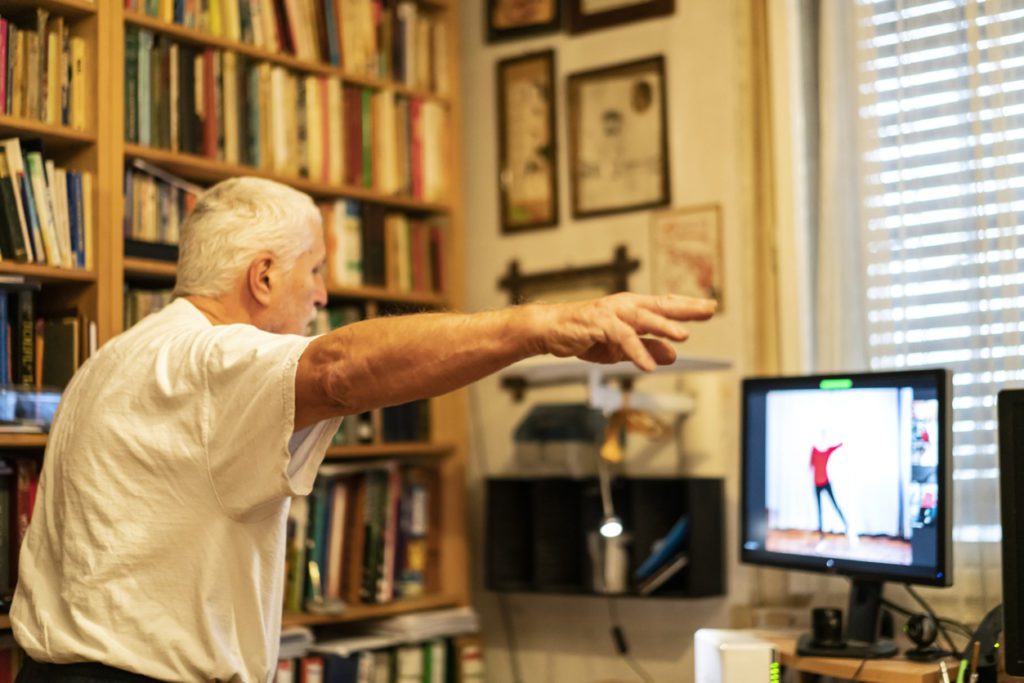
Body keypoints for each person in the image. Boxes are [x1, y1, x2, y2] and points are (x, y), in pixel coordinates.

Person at [9, 177, 716, 682]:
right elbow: (340, 370)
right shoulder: (212, 359)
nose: (321, 295)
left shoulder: (110, 362)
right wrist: (540, 326)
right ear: (262, 276)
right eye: (313, 272)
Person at [809, 433, 849, 541]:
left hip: (826, 483)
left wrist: (844, 438)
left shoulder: (827, 451)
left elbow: (838, 445)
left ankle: (846, 525)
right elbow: (811, 465)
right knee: (819, 509)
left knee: (835, 504)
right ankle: (821, 532)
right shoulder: (814, 450)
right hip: (817, 484)